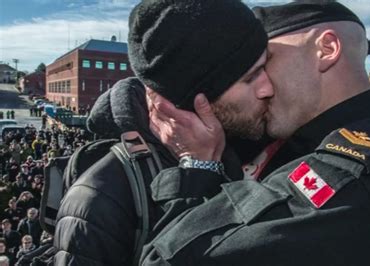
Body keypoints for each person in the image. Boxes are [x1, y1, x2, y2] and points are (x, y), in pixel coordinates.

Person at [140, 1, 370, 265]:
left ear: (327, 49)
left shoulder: (349, 177)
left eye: (266, 62)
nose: (263, 86)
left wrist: (198, 166)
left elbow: (167, 259)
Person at [52, 0, 273, 265]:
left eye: (266, 66)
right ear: (193, 98)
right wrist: (199, 172)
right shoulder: (99, 199)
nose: (268, 87)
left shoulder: (253, 143)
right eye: (251, 77)